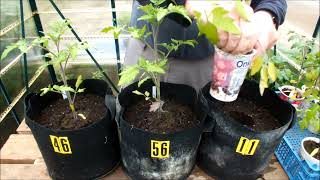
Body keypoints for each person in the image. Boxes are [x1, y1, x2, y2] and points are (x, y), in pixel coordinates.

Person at [124, 0, 287, 91]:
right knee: (133, 125)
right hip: (147, 48)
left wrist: (267, 12)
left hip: (209, 60)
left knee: (198, 131)